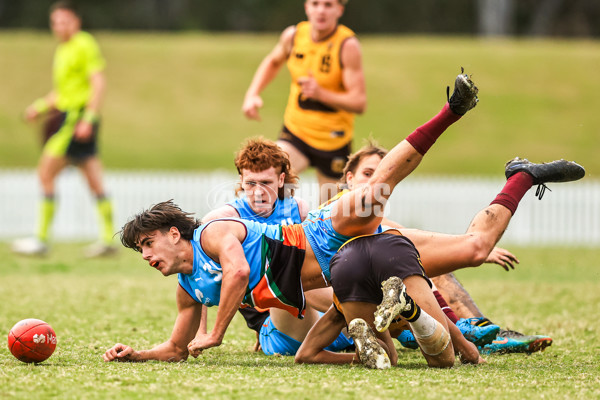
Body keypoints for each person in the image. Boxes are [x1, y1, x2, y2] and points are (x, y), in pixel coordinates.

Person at [103, 71, 584, 364]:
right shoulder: (189, 291)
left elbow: (240, 270)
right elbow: (176, 346)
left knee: (377, 194)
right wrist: (138, 354)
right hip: (344, 273)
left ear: (171, 233)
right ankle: (520, 178)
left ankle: (451, 110)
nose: (145, 256)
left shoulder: (214, 227)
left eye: (146, 245)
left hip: (321, 236)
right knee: (474, 251)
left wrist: (217, 333)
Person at [341, 141, 553, 354]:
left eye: (381, 176)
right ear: (349, 178)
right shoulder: (338, 214)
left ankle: (478, 330)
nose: (374, 182)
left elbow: (416, 242)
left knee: (417, 261)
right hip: (341, 315)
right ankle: (464, 333)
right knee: (413, 264)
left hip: (362, 310)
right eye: (367, 174)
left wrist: (461, 249)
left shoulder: (374, 221)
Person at [12, 1, 116, 258]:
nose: (60, 26)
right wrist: (39, 107)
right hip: (71, 115)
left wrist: (88, 119)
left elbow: (98, 83)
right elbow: (63, 92)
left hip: (76, 119)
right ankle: (108, 239)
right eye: (55, 22)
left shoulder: (84, 43)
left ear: (76, 21)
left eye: (65, 21)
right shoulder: (63, 50)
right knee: (93, 178)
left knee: (45, 173)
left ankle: (41, 239)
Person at [242, 0, 366, 203]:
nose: (321, 10)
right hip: (296, 132)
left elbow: (359, 102)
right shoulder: (293, 36)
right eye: (315, 3)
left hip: (333, 140)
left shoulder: (347, 45)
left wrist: (321, 93)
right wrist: (252, 93)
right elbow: (273, 62)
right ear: (306, 7)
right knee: (266, 174)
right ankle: (266, 232)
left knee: (330, 214)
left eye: (328, 5)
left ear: (340, 10)